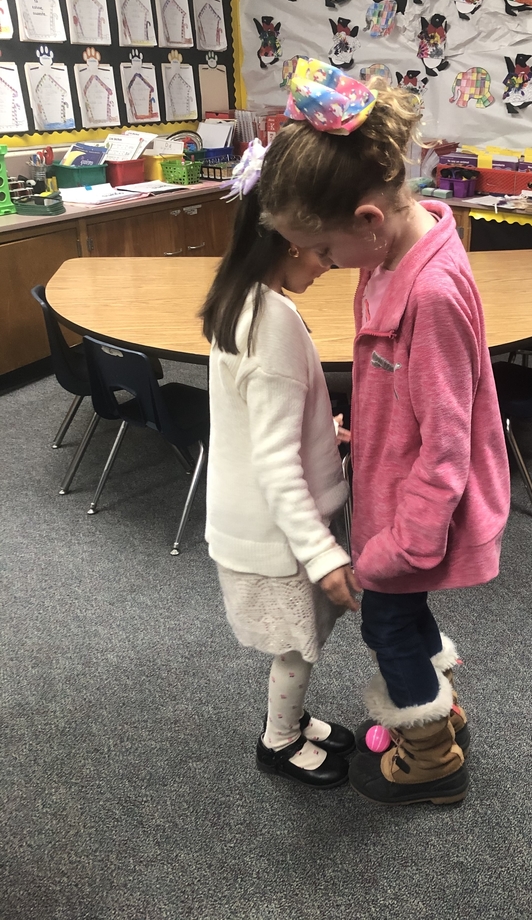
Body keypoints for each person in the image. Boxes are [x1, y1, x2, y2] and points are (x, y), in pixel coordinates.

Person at [258, 58, 510, 806]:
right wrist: (362, 424)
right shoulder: (395, 249)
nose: (327, 266)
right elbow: (402, 393)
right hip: (396, 496)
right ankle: (442, 712)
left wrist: (402, 547)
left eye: (326, 250)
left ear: (368, 219)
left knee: (389, 626)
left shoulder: (428, 294)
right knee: (407, 616)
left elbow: (446, 445)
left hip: (412, 518)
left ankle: (430, 759)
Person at [201, 184, 361, 790]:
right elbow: (273, 460)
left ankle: (291, 719)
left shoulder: (241, 298)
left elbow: (262, 420)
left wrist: (324, 429)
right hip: (282, 533)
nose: (329, 264)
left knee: (298, 643)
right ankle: (279, 741)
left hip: (261, 520)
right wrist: (322, 554)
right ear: (287, 239)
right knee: (295, 646)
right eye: (322, 250)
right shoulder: (273, 324)